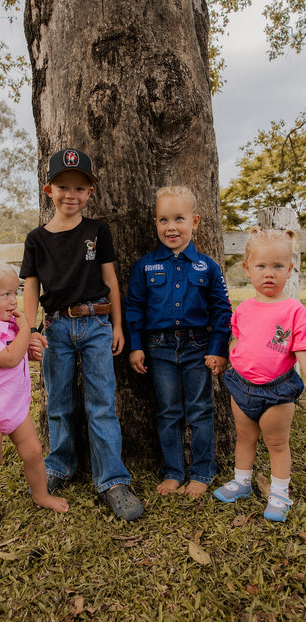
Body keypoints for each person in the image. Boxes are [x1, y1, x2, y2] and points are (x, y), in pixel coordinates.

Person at [19, 148, 143, 521]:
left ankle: (113, 480)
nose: (70, 194)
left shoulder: (96, 231)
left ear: (90, 193)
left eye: (79, 188)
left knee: (102, 404)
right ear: (48, 189)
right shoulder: (36, 239)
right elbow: (30, 287)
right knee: (58, 404)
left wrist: (118, 325)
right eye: (62, 186)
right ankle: (58, 467)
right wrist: (29, 331)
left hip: (96, 325)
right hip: (55, 328)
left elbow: (111, 282)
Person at [125, 185, 232, 498]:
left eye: (179, 219)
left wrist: (218, 350)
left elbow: (222, 310)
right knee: (168, 411)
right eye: (163, 220)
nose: (171, 227)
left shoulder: (207, 267)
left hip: (198, 348)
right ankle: (173, 471)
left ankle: (201, 471)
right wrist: (136, 345)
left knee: (200, 411)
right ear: (156, 223)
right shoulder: (145, 266)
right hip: (158, 348)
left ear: (195, 221)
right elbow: (134, 308)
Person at [0, 258, 69, 532]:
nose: (13, 301)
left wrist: (30, 352)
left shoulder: (6, 325)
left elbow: (17, 356)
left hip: (15, 408)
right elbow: (7, 359)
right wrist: (25, 331)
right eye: (6, 294)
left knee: (33, 452)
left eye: (15, 292)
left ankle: (41, 495)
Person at [213, 227, 306, 522]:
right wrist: (227, 360)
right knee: (244, 436)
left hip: (277, 390)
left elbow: (301, 351)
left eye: (278, 266)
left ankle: (279, 493)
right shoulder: (243, 309)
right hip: (241, 386)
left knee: (277, 443)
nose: (269, 273)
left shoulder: (294, 310)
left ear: (289, 270)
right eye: (261, 266)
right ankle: (242, 481)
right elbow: (239, 340)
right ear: (247, 269)